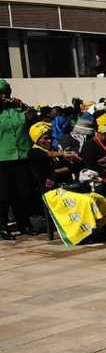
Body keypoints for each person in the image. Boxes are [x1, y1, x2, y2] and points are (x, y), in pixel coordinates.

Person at [0, 80, 34, 239]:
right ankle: (2, 226)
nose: (3, 97)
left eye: (5, 93)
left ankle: (24, 223)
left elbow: (33, 116)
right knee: (3, 195)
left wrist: (23, 104)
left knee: (22, 192)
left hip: (21, 155)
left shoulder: (16, 110)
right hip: (2, 157)